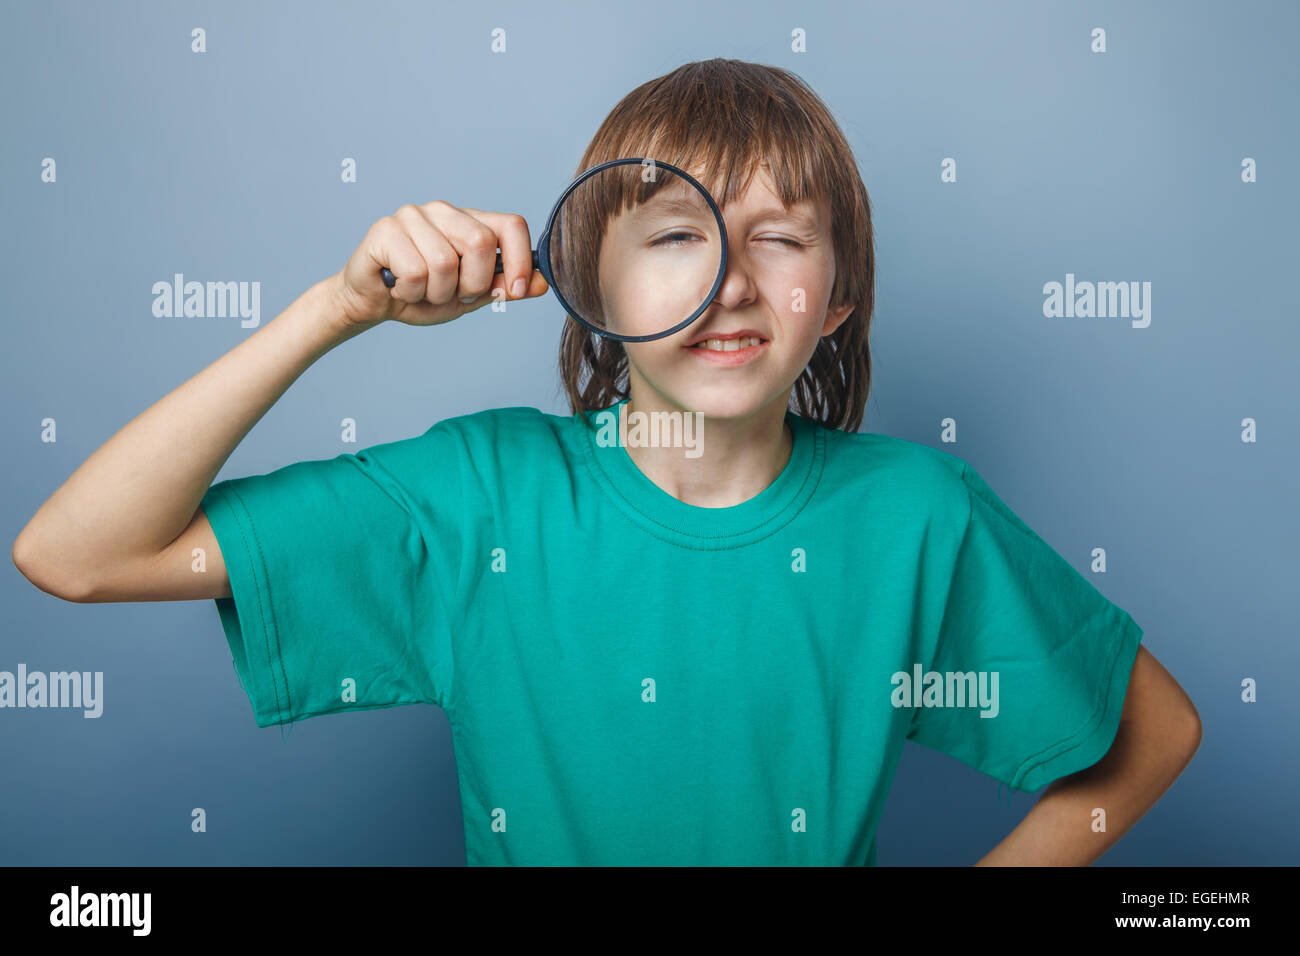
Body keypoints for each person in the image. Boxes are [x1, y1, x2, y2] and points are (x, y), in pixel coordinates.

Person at [11, 58, 1200, 866]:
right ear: (593, 284)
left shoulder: (917, 517)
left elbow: (1157, 733)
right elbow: (76, 552)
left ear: (833, 298)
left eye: (777, 238)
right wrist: (336, 309)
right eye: (676, 237)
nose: (729, 281)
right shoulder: (480, 494)